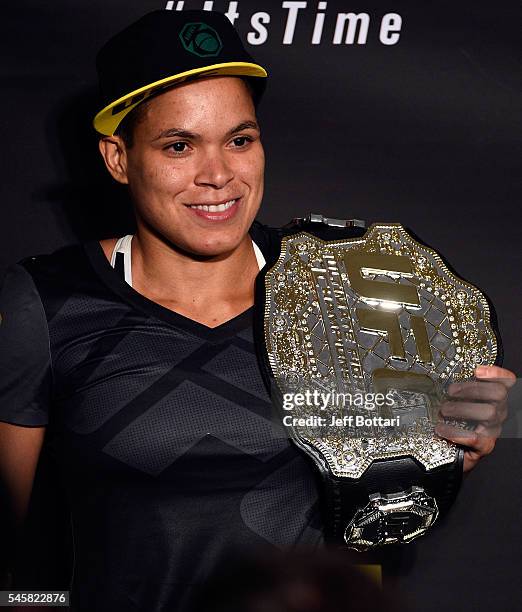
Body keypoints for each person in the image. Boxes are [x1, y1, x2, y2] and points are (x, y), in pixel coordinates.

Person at [0, 9, 515, 612]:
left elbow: (376, 523)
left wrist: (452, 454)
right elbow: (13, 553)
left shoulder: (346, 281)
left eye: (240, 139)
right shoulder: (45, 303)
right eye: (179, 145)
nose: (218, 175)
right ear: (118, 158)